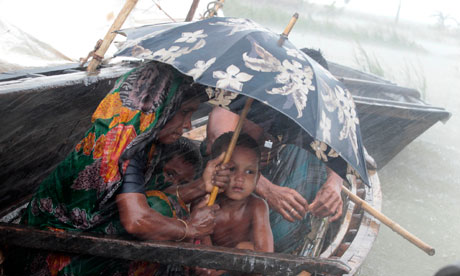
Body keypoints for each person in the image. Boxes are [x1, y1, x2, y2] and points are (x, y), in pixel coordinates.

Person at [9, 61, 231, 275]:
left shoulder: (143, 142)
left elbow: (142, 199)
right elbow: (137, 220)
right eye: (185, 112)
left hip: (82, 243)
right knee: (163, 212)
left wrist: (203, 184)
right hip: (50, 254)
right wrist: (190, 229)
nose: (189, 125)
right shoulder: (121, 144)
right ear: (158, 104)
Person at [194, 132, 274, 276]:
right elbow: (206, 261)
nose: (240, 178)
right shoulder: (205, 205)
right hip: (215, 269)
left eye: (249, 171)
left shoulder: (257, 206)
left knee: (247, 248)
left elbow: (266, 255)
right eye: (232, 169)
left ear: (258, 178)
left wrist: (236, 256)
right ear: (215, 169)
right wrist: (236, 257)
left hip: (244, 270)